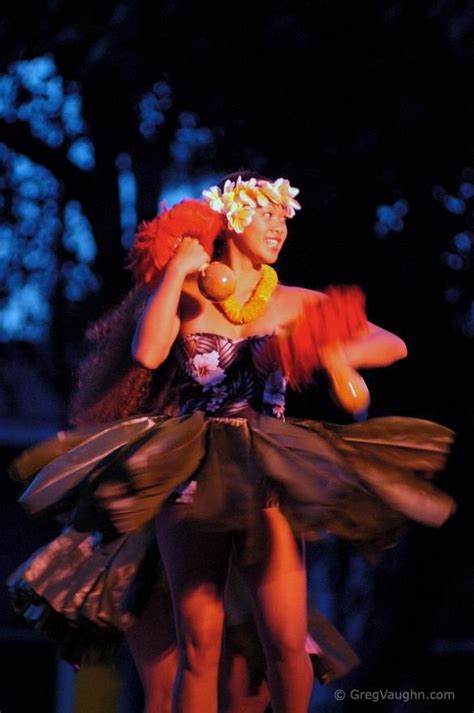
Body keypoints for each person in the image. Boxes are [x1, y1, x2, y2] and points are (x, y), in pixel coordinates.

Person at [7, 171, 456, 713]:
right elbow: (148, 353)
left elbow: (394, 345)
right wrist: (175, 269)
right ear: (233, 220)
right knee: (200, 645)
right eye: (265, 215)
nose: (278, 228)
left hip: (268, 467)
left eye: (283, 219)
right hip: (191, 470)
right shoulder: (188, 294)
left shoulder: (295, 302)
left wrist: (325, 349)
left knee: (286, 640)